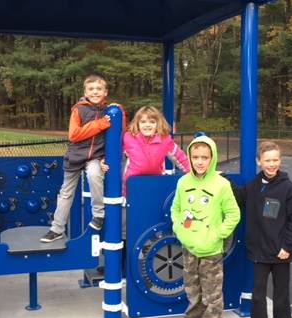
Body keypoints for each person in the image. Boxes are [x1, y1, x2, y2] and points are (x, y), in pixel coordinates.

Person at [171, 134, 240, 318]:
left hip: (211, 252)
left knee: (212, 297)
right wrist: (181, 231)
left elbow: (233, 214)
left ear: (213, 159)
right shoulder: (183, 182)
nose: (200, 161)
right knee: (193, 293)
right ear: (189, 157)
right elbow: (177, 210)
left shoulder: (221, 185)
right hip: (189, 248)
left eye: (205, 157)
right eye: (196, 157)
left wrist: (216, 236)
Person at [232, 141, 292, 318]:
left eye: (275, 160)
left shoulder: (287, 187)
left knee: (281, 291)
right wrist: (222, 181)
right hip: (260, 251)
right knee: (258, 293)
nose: (271, 164)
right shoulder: (254, 186)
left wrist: (288, 246)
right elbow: (239, 197)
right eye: (267, 161)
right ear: (259, 162)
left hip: (281, 251)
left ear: (280, 161)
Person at [41, 73, 111, 243]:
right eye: (91, 89)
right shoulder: (78, 109)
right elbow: (74, 135)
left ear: (105, 92)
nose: (95, 92)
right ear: (85, 92)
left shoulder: (109, 111)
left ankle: (99, 215)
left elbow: (116, 137)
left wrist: (105, 158)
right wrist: (99, 124)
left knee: (94, 175)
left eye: (99, 89)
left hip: (95, 156)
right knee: (66, 192)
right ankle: (57, 228)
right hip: (75, 154)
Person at [123, 105, 190, 192]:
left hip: (155, 181)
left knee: (155, 201)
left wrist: (193, 172)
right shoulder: (129, 138)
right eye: (143, 122)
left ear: (158, 124)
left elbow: (180, 157)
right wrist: (105, 159)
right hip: (132, 183)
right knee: (132, 203)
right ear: (137, 124)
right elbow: (115, 153)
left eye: (152, 122)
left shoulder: (164, 140)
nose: (147, 125)